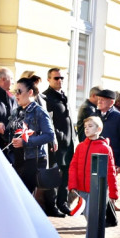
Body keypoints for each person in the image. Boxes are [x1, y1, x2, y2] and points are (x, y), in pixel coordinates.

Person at [67, 116, 118, 238]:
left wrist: (113, 194)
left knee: (91, 215)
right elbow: (73, 166)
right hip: (82, 189)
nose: (87, 128)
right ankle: (95, 234)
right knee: (87, 215)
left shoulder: (104, 148)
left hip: (96, 191)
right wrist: (73, 185)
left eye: (90, 126)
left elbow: (111, 171)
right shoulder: (81, 146)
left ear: (99, 129)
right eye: (85, 126)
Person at [9, 76, 55, 194]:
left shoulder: (39, 111)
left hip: (33, 160)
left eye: (19, 91)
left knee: (26, 196)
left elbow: (49, 135)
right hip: (17, 160)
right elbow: (10, 133)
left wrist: (25, 142)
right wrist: (1, 128)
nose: (16, 95)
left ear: (30, 92)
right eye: (15, 92)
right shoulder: (16, 111)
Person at [43, 68, 75, 216]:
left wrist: (72, 136)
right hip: (56, 144)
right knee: (56, 174)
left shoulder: (63, 96)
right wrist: (59, 137)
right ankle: (52, 206)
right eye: (56, 78)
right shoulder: (46, 97)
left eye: (61, 77)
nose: (60, 80)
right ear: (49, 79)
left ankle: (63, 203)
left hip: (69, 143)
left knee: (67, 174)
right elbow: (48, 122)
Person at [97, 89, 120, 174]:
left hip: (112, 162)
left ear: (111, 102)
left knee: (107, 186)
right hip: (95, 160)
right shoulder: (94, 115)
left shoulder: (119, 117)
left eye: (103, 100)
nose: (99, 102)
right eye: (99, 99)